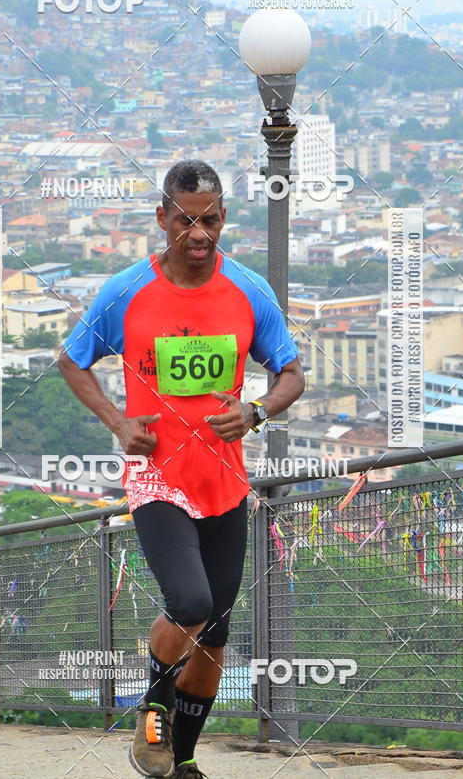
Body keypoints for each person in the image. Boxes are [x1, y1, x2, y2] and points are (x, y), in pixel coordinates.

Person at [59, 160, 305, 778]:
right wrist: (118, 423)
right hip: (158, 479)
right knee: (190, 603)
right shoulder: (125, 291)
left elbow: (291, 374)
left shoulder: (249, 290)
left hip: (224, 481)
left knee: (214, 635)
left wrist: (256, 411)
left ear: (224, 220)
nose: (198, 234)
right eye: (185, 221)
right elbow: (71, 360)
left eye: (211, 221)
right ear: (162, 219)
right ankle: (152, 709)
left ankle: (184, 760)